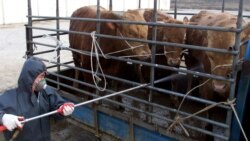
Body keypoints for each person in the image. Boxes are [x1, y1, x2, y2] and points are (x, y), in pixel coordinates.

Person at [0, 57, 75, 141]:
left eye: (44, 77)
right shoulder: (10, 97)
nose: (43, 81)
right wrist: (3, 118)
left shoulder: (46, 92)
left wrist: (63, 110)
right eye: (40, 77)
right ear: (30, 77)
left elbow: (58, 105)